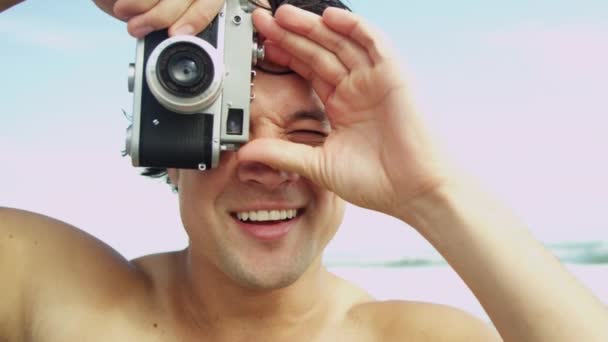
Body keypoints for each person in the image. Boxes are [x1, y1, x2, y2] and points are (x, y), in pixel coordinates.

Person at [1, 0, 607, 341]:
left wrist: (430, 189)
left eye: (309, 134)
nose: (268, 162)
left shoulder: (416, 337)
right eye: (229, 127)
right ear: (169, 149)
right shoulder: (50, 290)